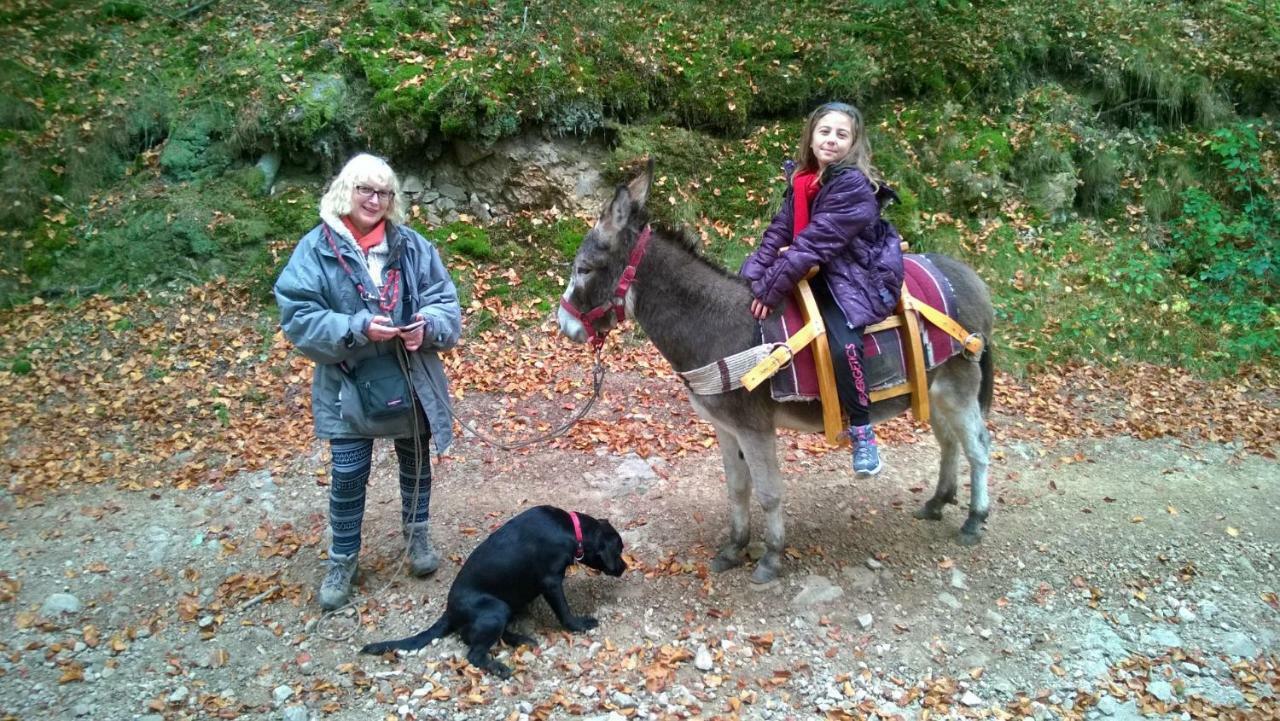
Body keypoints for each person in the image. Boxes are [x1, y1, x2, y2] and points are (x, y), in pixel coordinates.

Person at [275, 153, 462, 610]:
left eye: (384, 193)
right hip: (347, 382)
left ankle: (417, 541)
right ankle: (343, 558)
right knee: (348, 474)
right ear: (346, 190)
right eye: (365, 190)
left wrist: (427, 326)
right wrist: (356, 327)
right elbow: (298, 318)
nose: (374, 200)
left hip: (411, 376)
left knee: (416, 465)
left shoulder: (414, 247)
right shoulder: (315, 249)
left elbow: (446, 305)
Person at [740, 102, 904, 477]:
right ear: (811, 138)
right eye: (825, 131)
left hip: (850, 272)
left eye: (841, 134)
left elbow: (810, 245)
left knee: (842, 343)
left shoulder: (852, 187)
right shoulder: (803, 180)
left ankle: (862, 430)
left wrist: (768, 290)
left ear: (853, 143)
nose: (831, 139)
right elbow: (780, 233)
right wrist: (751, 276)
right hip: (810, 264)